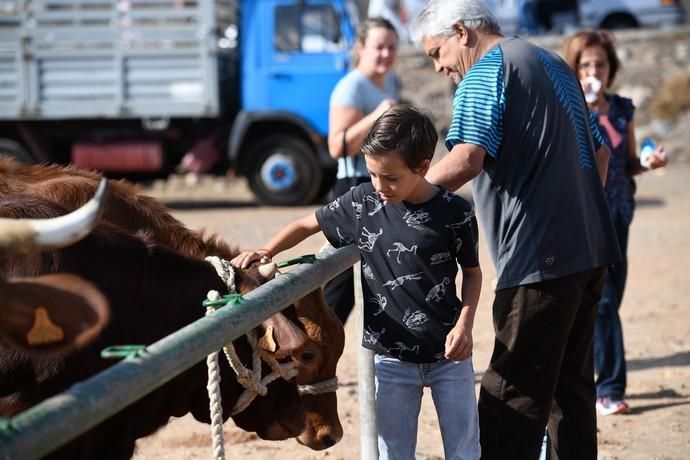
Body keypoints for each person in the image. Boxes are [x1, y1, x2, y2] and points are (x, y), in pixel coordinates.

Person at [409, 1, 620, 459]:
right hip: (591, 249)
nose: (441, 66)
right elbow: (601, 151)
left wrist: (402, 195)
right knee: (571, 392)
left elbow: (467, 157)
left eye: (435, 53)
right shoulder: (552, 62)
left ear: (461, 33)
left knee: (512, 397)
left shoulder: (485, 71)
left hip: (539, 258)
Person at [233, 104, 483, 460]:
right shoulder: (362, 202)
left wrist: (465, 326)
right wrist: (266, 250)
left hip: (450, 356)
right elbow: (307, 224)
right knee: (392, 451)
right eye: (372, 173)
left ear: (423, 167)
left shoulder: (455, 213)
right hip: (391, 359)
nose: (380, 185)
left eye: (391, 177)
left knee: (464, 450)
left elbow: (473, 274)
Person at [564, 29, 668, 416]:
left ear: (611, 68)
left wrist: (649, 162)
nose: (593, 71)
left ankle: (593, 382)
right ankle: (608, 389)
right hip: (580, 218)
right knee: (602, 304)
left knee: (607, 303)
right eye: (585, 64)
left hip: (618, 215)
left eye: (600, 64)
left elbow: (626, 163)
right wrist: (582, 112)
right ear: (573, 69)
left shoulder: (622, 109)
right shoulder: (566, 107)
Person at [325, 16, 401, 325]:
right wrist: (378, 114)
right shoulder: (352, 86)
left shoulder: (389, 80)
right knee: (340, 284)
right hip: (352, 185)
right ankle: (315, 359)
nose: (386, 54)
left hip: (380, 185)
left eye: (392, 47)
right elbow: (337, 146)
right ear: (361, 48)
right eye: (379, 47)